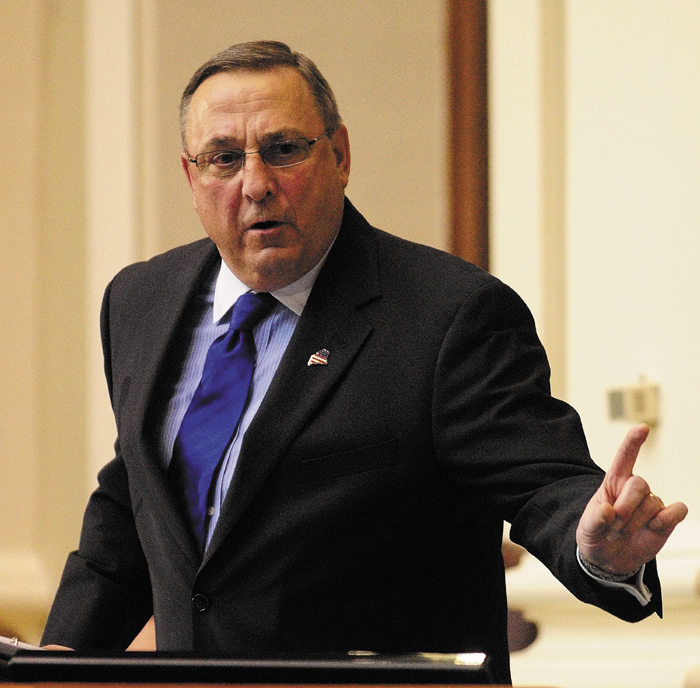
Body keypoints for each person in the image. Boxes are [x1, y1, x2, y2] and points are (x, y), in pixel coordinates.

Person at [41, 41, 687, 684]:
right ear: (191, 178)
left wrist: (597, 545)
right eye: (224, 159)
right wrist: (48, 668)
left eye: (284, 149)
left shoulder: (449, 317)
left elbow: (546, 483)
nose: (256, 183)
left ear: (340, 156)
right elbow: (137, 494)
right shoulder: (140, 303)